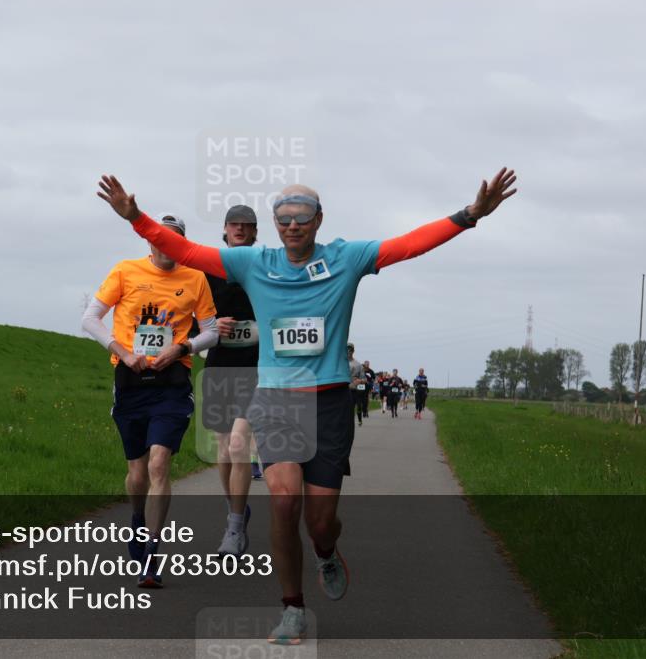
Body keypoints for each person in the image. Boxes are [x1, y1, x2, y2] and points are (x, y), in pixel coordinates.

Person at [96, 166, 518, 642]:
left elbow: (409, 244)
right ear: (275, 223)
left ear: (319, 220)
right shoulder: (255, 262)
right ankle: (292, 607)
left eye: (302, 216)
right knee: (282, 501)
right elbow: (187, 251)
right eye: (283, 217)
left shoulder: (349, 257)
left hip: (331, 400)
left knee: (320, 522)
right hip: (276, 400)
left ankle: (324, 550)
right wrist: (136, 218)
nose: (292, 224)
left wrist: (470, 215)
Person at [80, 214, 219, 588]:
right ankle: (138, 519)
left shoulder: (196, 278)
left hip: (172, 383)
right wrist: (123, 353)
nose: (166, 246)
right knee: (138, 472)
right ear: (149, 242)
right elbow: (91, 318)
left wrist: (182, 346)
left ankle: (152, 554)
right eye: (160, 239)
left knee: (159, 465)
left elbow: (211, 332)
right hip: (130, 380)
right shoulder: (126, 271)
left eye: (174, 241)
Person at [203, 204, 260, 556]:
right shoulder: (208, 269)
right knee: (223, 448)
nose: (240, 229)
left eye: (247, 225)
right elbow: (194, 318)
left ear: (255, 233)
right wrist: (209, 328)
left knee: (239, 445)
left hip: (255, 367)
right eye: (234, 224)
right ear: (224, 230)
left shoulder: (264, 268)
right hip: (219, 365)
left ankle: (235, 529)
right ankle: (234, 510)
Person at [348, 345, 366, 427]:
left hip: (355, 390)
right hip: (343, 390)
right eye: (347, 350)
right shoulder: (340, 363)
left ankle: (359, 420)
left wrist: (360, 380)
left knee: (358, 406)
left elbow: (365, 379)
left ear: (353, 351)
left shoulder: (358, 365)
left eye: (350, 350)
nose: (348, 352)